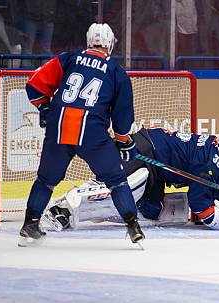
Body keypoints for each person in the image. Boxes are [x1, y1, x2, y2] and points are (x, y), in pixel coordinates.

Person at [19, 23, 144, 246]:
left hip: (59, 127)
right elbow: (123, 116)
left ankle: (30, 224)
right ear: (111, 44)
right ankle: (133, 227)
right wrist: (124, 141)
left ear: (88, 41)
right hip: (92, 132)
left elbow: (34, 86)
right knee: (116, 182)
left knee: (46, 181)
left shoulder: (68, 59)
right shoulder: (116, 71)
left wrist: (45, 108)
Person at [45, 127, 219, 231]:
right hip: (144, 154)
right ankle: (65, 207)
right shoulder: (211, 162)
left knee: (151, 211)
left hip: (154, 162)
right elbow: (200, 204)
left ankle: (96, 209)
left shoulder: (213, 147)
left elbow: (203, 198)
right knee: (129, 186)